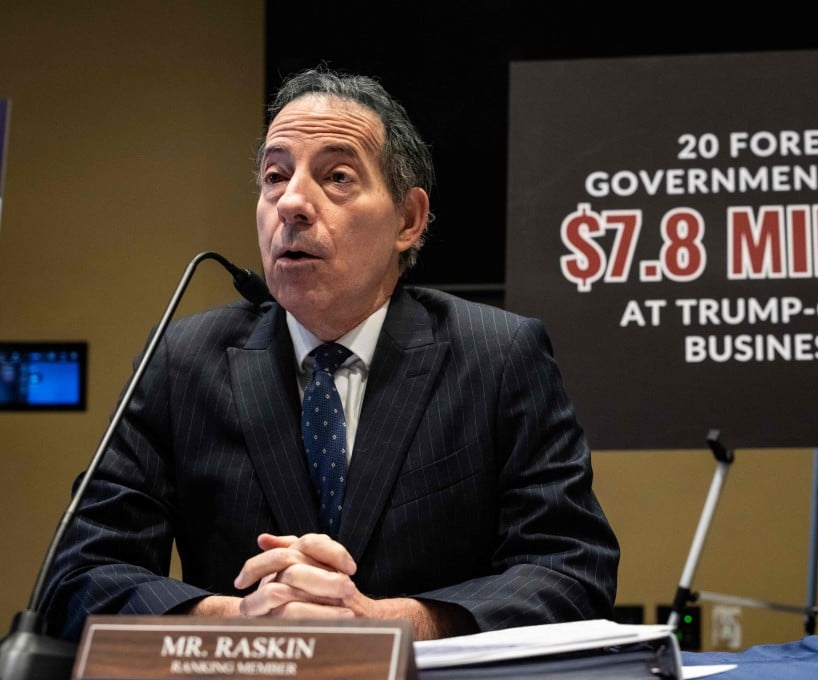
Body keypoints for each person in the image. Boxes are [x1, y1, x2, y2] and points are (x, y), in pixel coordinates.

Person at [39, 66, 620, 642]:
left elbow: (572, 571)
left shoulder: (498, 355)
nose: (291, 202)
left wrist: (389, 623)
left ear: (408, 220)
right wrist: (238, 620)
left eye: (336, 176)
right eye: (274, 176)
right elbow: (78, 575)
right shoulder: (182, 360)